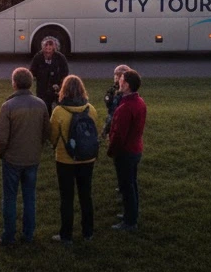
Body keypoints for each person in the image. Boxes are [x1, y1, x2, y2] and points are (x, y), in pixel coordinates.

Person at [0, 68, 50, 246]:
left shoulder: (8, 106)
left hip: (12, 159)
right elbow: (46, 132)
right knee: (29, 197)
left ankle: (9, 236)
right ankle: (28, 234)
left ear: (14, 83)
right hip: (32, 158)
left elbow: (2, 138)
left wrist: (1, 152)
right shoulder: (41, 104)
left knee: (10, 198)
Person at [50, 75, 100, 242]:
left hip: (65, 160)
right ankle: (88, 232)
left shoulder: (59, 111)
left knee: (67, 198)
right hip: (87, 159)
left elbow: (53, 137)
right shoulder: (91, 109)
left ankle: (66, 235)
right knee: (86, 195)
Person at [108, 69, 146, 231]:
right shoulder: (140, 102)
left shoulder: (125, 107)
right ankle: (132, 213)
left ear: (128, 85)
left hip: (125, 152)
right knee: (132, 184)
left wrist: (111, 151)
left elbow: (119, 135)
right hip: (136, 148)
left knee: (126, 186)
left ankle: (130, 221)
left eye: (122, 79)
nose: (119, 82)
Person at [29, 37, 68, 111]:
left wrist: (60, 83)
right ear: (43, 46)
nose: (48, 47)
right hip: (42, 88)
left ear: (54, 46)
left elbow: (65, 72)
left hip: (57, 87)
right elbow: (32, 71)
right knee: (44, 108)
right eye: (46, 45)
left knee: (59, 107)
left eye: (51, 45)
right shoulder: (38, 57)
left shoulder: (60, 57)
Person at [103, 64, 132, 136]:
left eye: (118, 76)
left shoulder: (127, 91)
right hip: (112, 112)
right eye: (115, 75)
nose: (116, 78)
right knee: (110, 121)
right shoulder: (113, 89)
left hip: (122, 114)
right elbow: (107, 100)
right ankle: (106, 133)